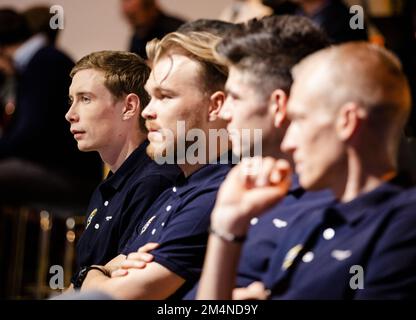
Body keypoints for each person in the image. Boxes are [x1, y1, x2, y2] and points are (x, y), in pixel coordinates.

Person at [197, 42, 416, 299]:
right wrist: (226, 227)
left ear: (346, 122)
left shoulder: (404, 225)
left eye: (300, 120)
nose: (289, 142)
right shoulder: (310, 220)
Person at [68, 31, 232, 299]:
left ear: (216, 106)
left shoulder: (215, 192)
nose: (147, 111)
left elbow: (123, 295)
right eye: (150, 97)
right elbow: (111, 276)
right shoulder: (177, 187)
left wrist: (91, 274)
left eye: (165, 96)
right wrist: (101, 273)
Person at [66, 50, 181, 286]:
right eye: (72, 100)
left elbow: (118, 286)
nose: (70, 114)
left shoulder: (155, 181)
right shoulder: (110, 185)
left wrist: (90, 278)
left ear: (129, 106)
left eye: (85, 99)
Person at [0, 8, 101, 206]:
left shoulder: (44, 62)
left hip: (71, 176)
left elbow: (29, 135)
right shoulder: (43, 59)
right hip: (56, 168)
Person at [120, 0, 185, 58]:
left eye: (133, 16)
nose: (131, 22)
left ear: (150, 8)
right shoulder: (138, 34)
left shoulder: (175, 30)